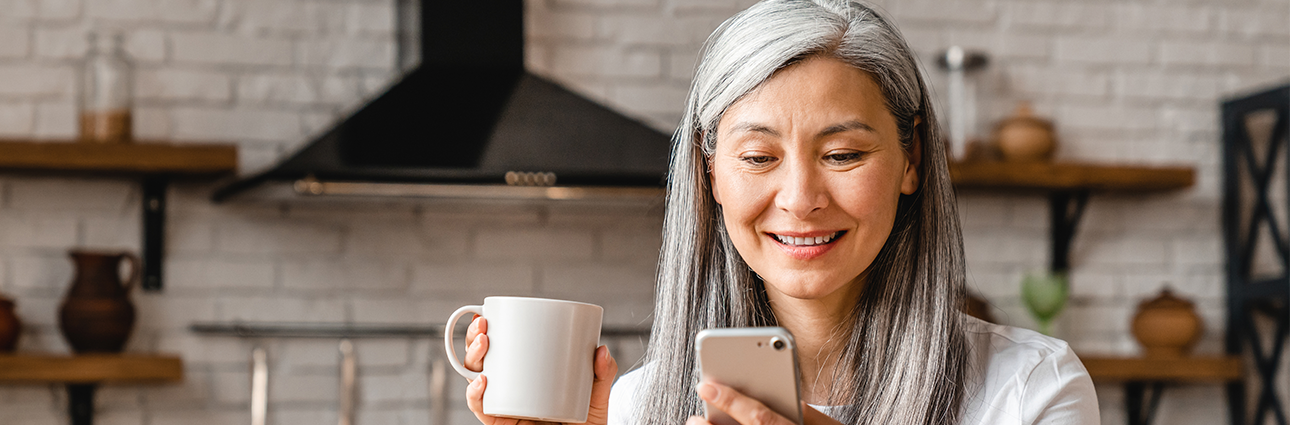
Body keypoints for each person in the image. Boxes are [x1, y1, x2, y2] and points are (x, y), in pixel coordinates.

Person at [461, 0, 1101, 424]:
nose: (800, 198)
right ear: (710, 174)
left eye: (844, 153)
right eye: (759, 158)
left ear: (911, 162)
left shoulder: (1031, 391)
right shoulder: (633, 406)